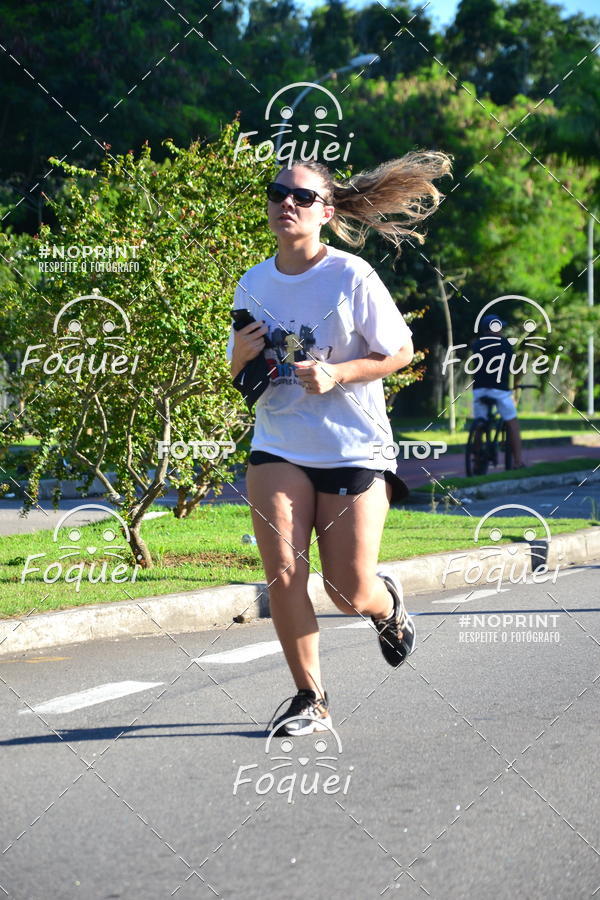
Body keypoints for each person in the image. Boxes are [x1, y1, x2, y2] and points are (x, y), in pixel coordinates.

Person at [226, 153, 451, 736]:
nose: (286, 204)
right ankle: (311, 699)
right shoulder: (254, 280)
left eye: (301, 197)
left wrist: (337, 374)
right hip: (279, 440)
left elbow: (399, 352)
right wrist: (238, 360)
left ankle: (385, 605)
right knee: (283, 574)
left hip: (352, 445)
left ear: (326, 212)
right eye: (278, 193)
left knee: (347, 589)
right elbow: (243, 375)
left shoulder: (352, 276)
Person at [471, 314, 525, 469]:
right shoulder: (505, 344)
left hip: (479, 390)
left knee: (480, 425)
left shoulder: (476, 345)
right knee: (512, 422)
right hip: (499, 390)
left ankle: (476, 460)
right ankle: (518, 461)